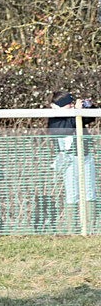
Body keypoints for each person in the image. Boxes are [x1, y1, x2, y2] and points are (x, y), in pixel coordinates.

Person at [47, 91, 96, 232]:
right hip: (68, 160)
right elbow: (64, 129)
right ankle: (72, 229)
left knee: (89, 193)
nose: (72, 106)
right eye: (69, 105)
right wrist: (76, 112)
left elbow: (90, 117)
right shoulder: (55, 120)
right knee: (72, 194)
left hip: (85, 157)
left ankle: (90, 228)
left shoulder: (74, 114)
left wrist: (88, 107)